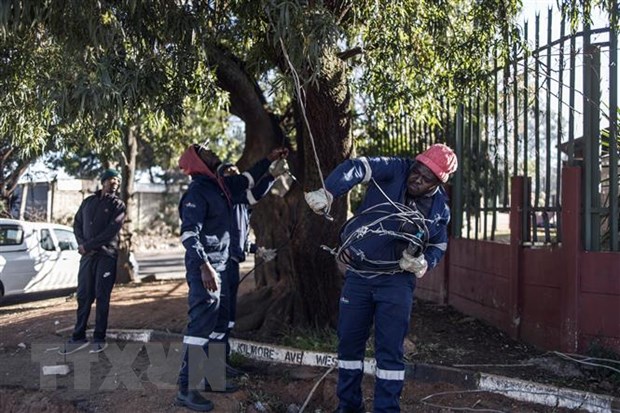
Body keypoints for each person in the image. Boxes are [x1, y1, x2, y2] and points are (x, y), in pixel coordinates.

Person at [304, 143, 458, 413]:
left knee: (390, 352)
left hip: (397, 282)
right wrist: (329, 191)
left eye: (426, 179)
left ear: (439, 183)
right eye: (416, 172)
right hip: (360, 276)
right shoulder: (396, 169)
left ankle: (386, 409)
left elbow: (439, 244)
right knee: (349, 345)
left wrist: (424, 262)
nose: (416, 179)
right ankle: (349, 407)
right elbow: (357, 166)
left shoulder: (439, 209)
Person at [175, 143, 288, 412]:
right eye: (205, 150)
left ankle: (214, 378)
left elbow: (247, 181)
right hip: (207, 268)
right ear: (197, 161)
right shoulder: (198, 192)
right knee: (201, 325)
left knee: (220, 322)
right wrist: (204, 266)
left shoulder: (221, 188)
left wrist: (268, 160)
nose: (213, 151)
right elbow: (189, 234)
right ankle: (185, 389)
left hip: (224, 265)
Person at [217, 162, 278, 377]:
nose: (235, 175)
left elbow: (240, 237)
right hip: (219, 265)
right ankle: (207, 372)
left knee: (228, 318)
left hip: (232, 263)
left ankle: (222, 364)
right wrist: (270, 176)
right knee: (216, 318)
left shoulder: (242, 206)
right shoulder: (226, 198)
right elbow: (256, 194)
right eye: (230, 173)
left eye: (236, 171)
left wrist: (257, 250)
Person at [60, 168, 126, 355]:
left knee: (101, 296)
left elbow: (110, 232)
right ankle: (78, 336)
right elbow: (77, 224)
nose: (115, 183)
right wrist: (82, 244)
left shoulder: (118, 205)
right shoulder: (88, 202)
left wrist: (88, 245)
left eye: (117, 181)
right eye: (112, 179)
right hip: (87, 257)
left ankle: (99, 338)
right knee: (83, 296)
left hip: (106, 256)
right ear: (103, 181)